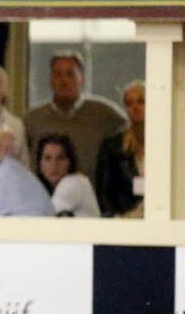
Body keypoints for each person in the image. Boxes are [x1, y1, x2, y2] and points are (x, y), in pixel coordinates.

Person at [23, 51, 127, 184]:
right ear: (50, 79)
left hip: (92, 199)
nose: (63, 80)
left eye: (70, 74)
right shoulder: (32, 120)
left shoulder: (106, 115)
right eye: (58, 74)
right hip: (45, 199)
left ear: (82, 79)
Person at [96, 80, 146, 218]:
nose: (135, 108)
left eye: (141, 101)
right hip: (125, 218)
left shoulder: (166, 143)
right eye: (130, 103)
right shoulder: (113, 146)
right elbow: (104, 192)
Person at [34, 134, 101, 218]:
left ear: (70, 162)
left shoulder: (74, 183)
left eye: (60, 158)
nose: (54, 164)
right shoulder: (43, 189)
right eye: (48, 158)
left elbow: (45, 216)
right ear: (40, 164)